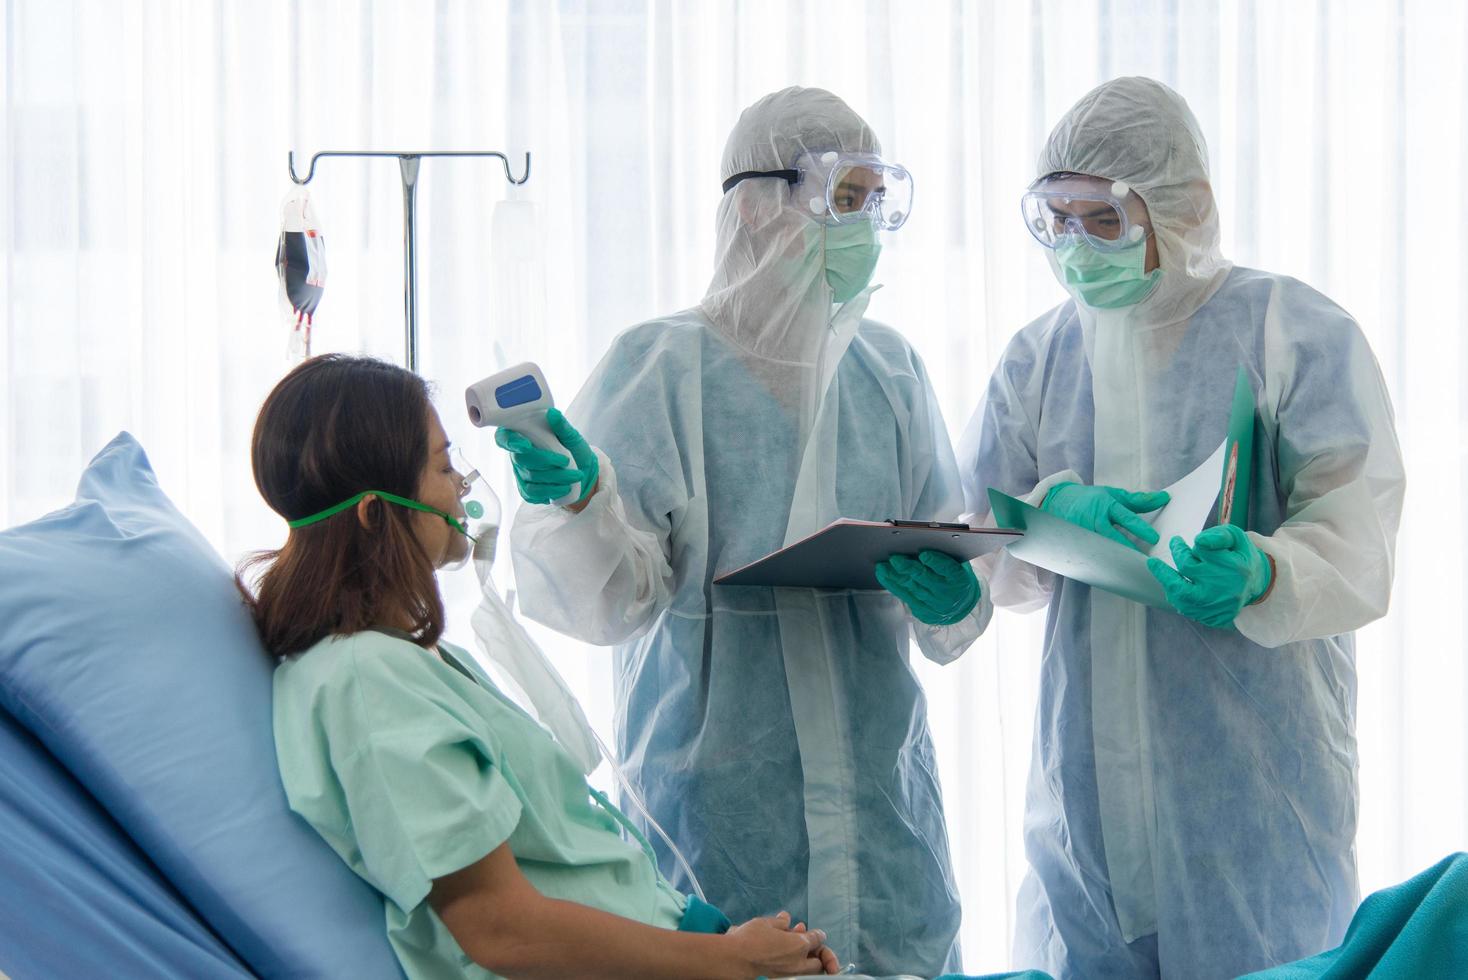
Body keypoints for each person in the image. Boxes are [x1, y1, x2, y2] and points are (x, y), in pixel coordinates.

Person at [496, 86, 990, 975]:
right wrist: (579, 507)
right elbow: (608, 603)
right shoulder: (661, 368)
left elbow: (950, 571)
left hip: (886, 826)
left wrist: (957, 596)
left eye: (876, 202)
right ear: (759, 206)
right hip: (715, 809)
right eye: (844, 199)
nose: (865, 226)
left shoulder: (891, 369)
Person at [957, 76, 1406, 979]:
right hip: (1081, 818)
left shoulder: (1291, 331)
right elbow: (983, 547)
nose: (1078, 245)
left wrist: (1268, 572)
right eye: (1057, 217)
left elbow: (1360, 531)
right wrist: (1043, 521)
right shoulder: (1037, 358)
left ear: (1184, 209)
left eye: (1105, 219)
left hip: (1255, 811)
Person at [239, 354, 842, 980]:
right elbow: (499, 928)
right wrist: (727, 960)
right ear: (374, 514)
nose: (465, 486)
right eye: (445, 466)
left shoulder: (407, 660)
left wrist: (730, 944)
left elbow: (555, 864)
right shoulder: (368, 682)